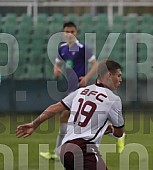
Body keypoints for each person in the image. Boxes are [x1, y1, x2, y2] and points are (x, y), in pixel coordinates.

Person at [16, 60, 124, 170]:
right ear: (108, 75)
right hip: (83, 147)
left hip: (66, 147)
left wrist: (34, 124)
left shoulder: (81, 91)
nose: (120, 80)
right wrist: (110, 129)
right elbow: (119, 132)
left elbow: (56, 107)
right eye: (118, 75)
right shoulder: (113, 99)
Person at [40, 22, 125, 160]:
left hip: (81, 87)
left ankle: (58, 151)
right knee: (74, 119)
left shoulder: (83, 48)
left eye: (72, 31)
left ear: (76, 33)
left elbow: (95, 64)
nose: (69, 34)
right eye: (67, 31)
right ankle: (116, 134)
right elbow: (58, 62)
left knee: (67, 116)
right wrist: (56, 69)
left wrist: (86, 78)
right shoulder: (62, 49)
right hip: (71, 87)